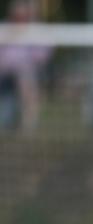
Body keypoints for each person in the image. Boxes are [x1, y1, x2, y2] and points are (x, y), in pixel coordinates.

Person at [0, 0, 52, 133]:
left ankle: (29, 124)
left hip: (26, 72)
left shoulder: (36, 29)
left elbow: (43, 55)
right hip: (4, 72)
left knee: (26, 77)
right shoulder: (5, 28)